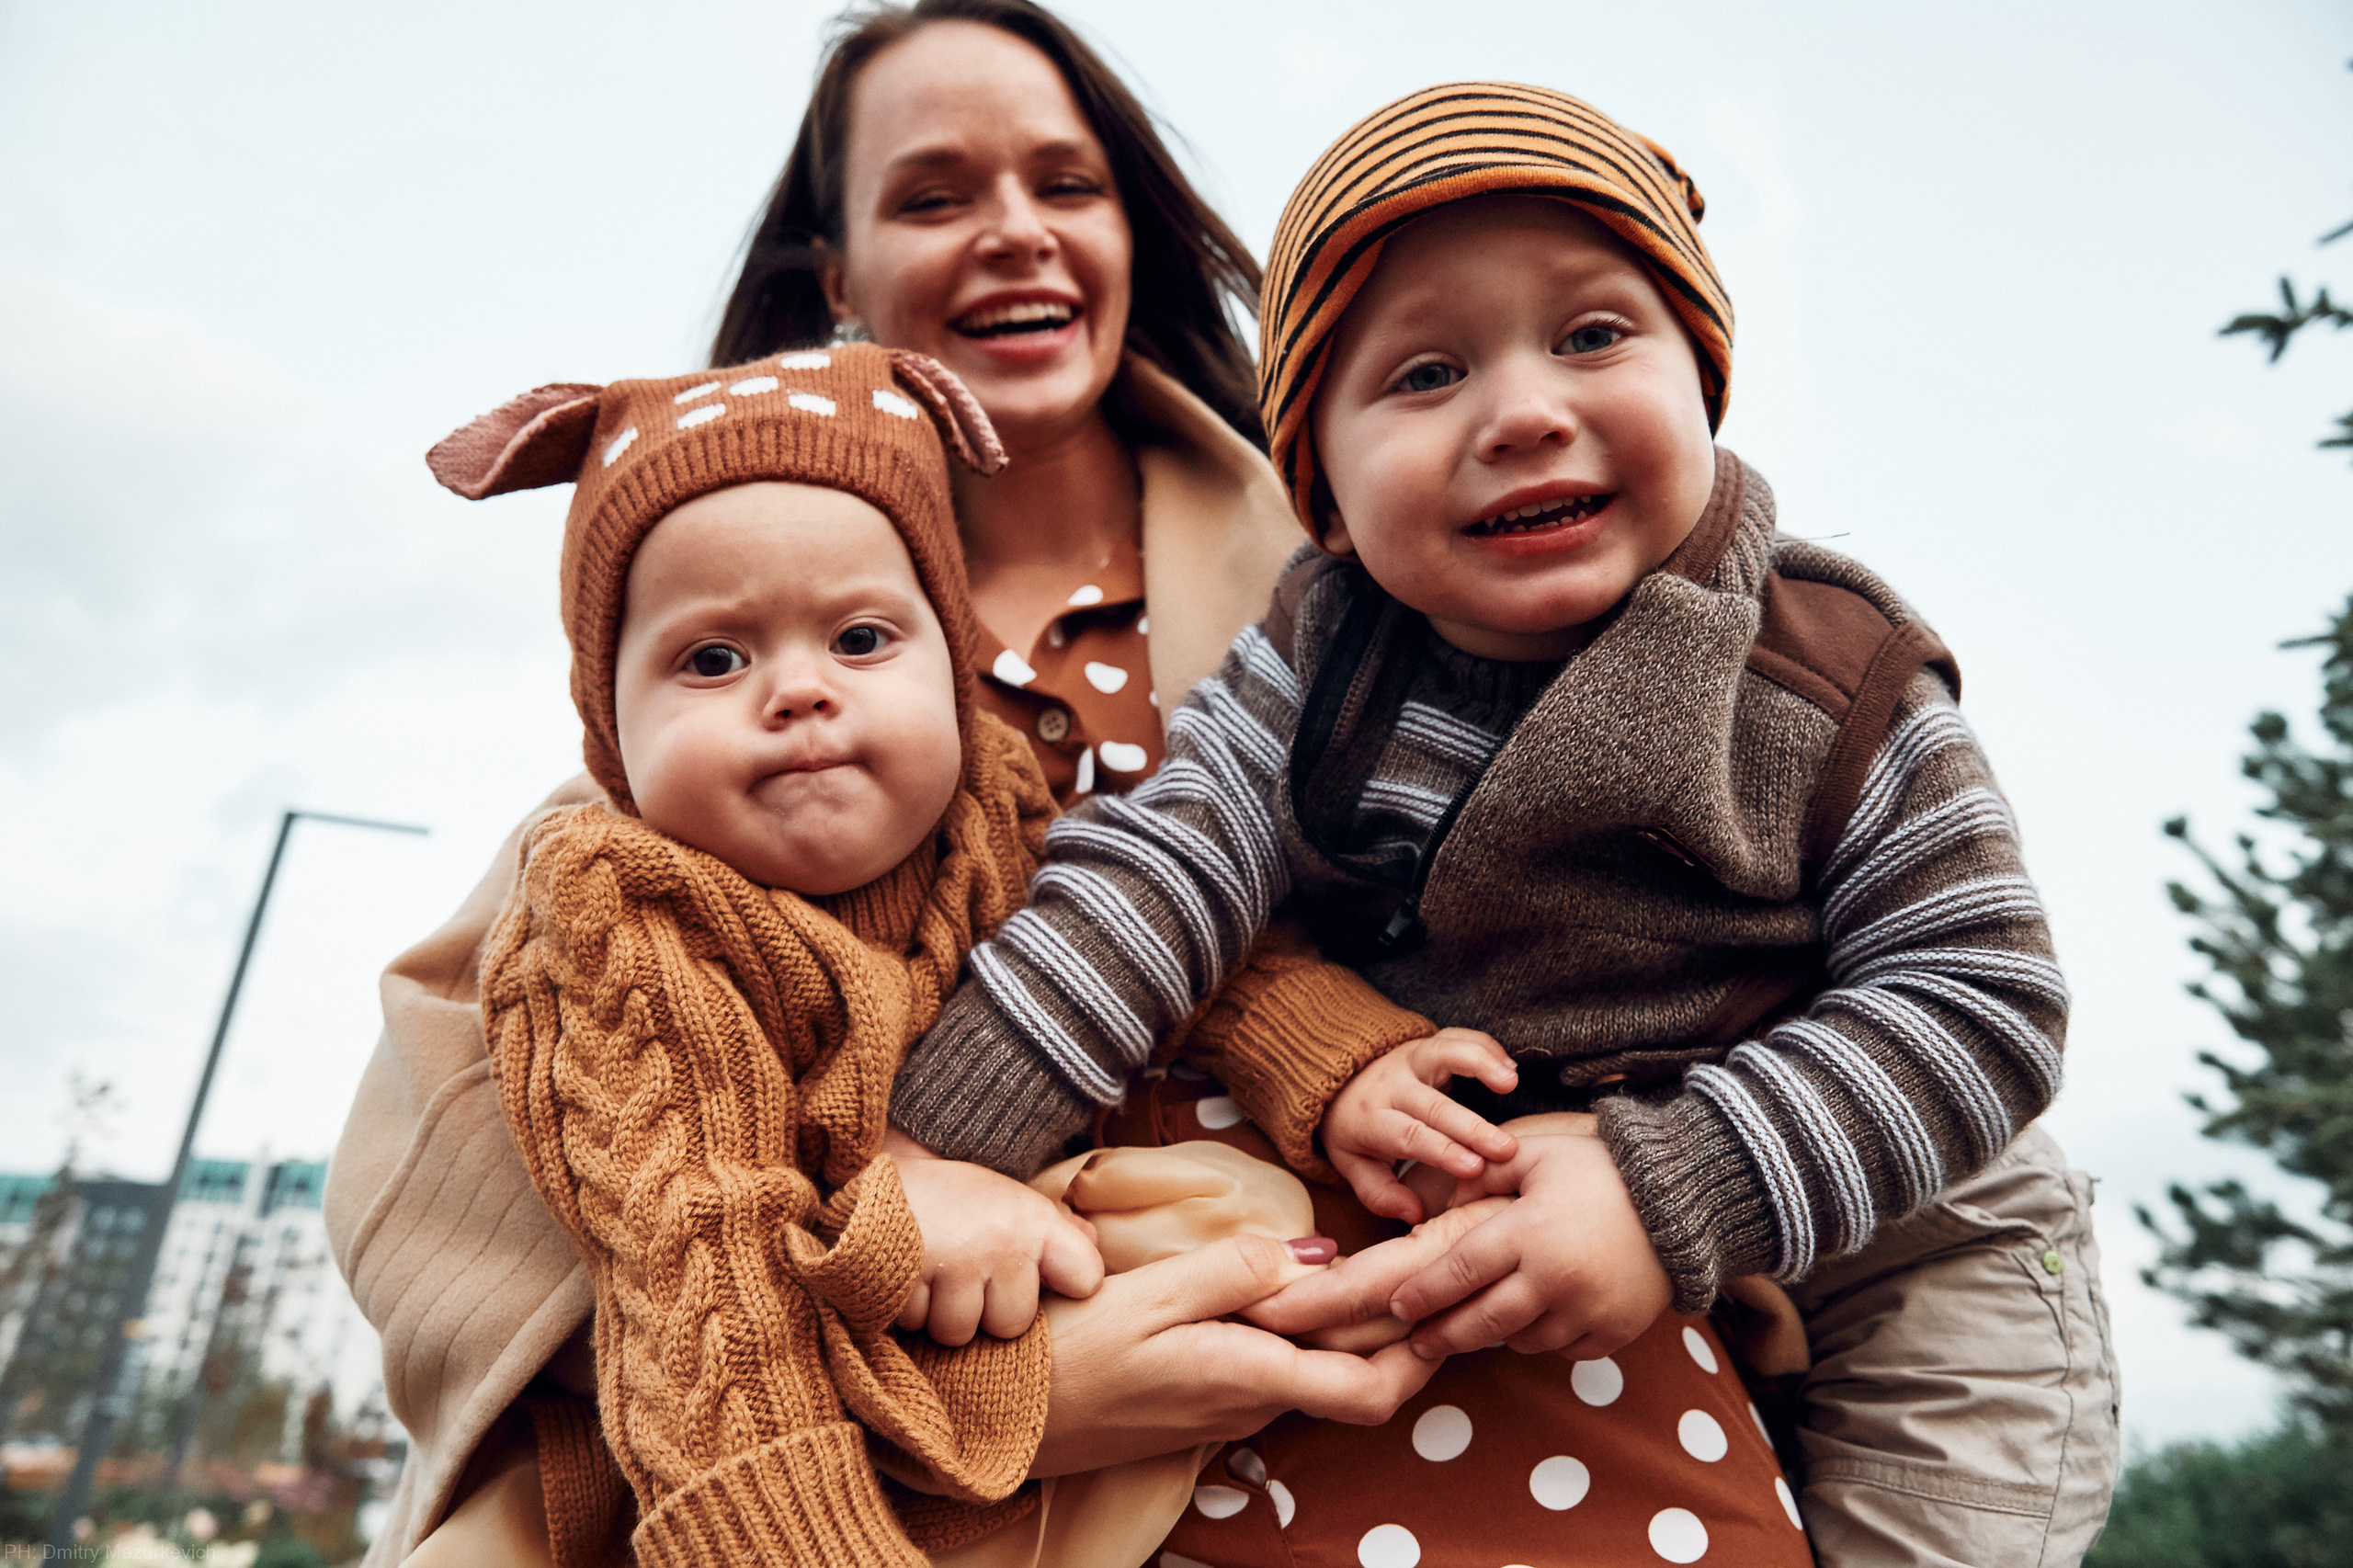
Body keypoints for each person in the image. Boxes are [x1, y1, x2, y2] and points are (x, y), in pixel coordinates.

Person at [901, 82, 2120, 1566]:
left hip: (1902, 1189)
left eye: (1595, 335)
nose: (1525, 409)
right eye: (1423, 373)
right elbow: (1167, 863)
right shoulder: (1325, 651)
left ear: (1703, 378)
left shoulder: (1828, 671)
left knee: (1944, 1533)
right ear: (1326, 499)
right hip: (1548, 1176)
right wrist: (937, 1150)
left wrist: (1670, 1184)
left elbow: (1982, 990)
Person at [321, 5, 1425, 1563]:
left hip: (1447, 1415)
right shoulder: (675, 794)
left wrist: (1353, 1063)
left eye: (1068, 182)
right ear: (835, 278)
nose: (1016, 235)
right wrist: (991, 1388)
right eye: (932, 195)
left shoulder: (1388, 585)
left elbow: (1641, 966)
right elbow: (536, 1187)